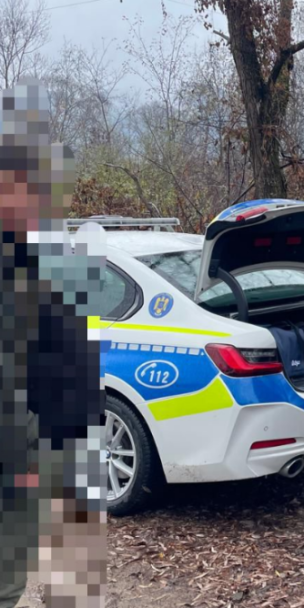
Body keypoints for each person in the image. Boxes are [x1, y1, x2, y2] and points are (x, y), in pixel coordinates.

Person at [0, 78, 107, 608]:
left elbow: (73, 336)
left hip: (74, 437)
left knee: (75, 583)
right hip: (30, 447)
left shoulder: (49, 245)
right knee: (9, 576)